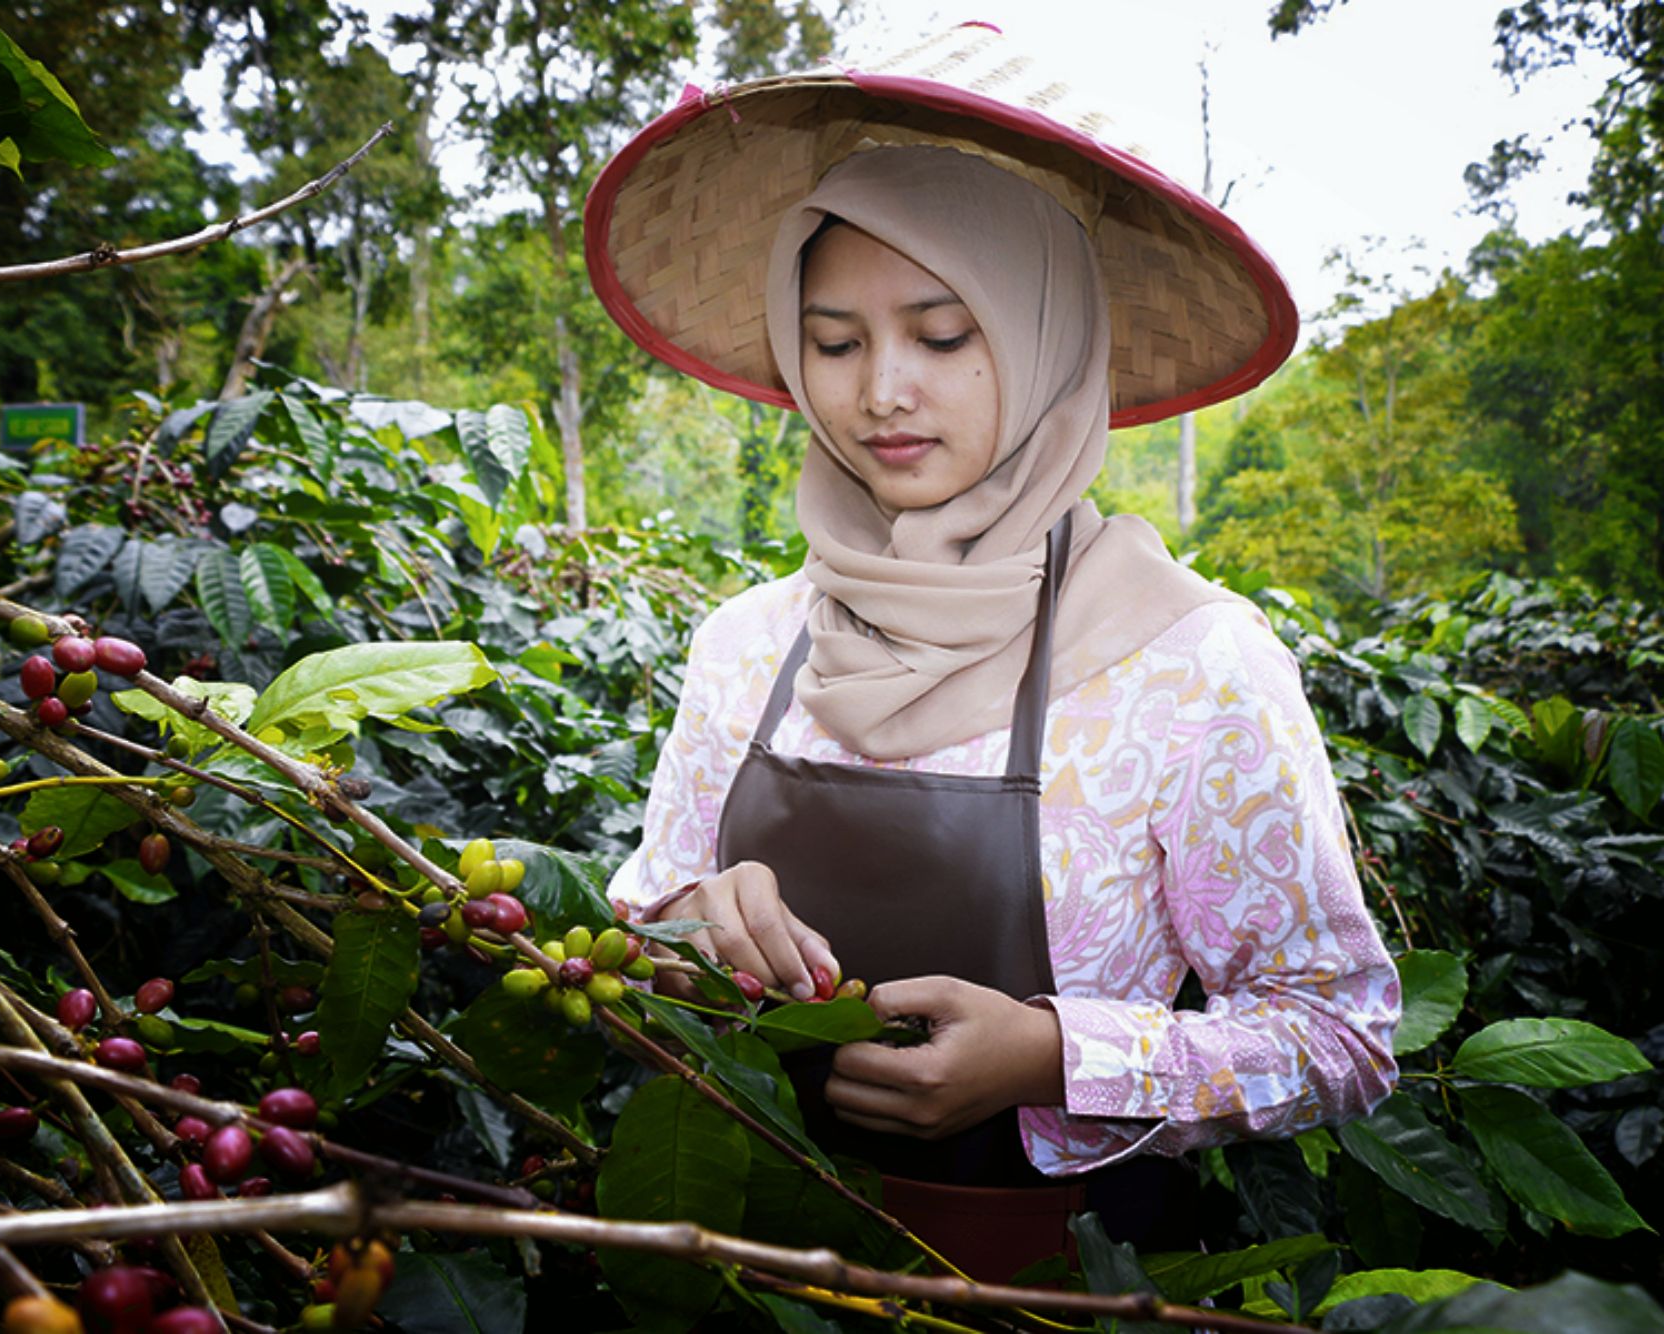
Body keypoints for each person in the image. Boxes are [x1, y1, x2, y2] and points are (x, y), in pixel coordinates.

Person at [585, 24, 1400, 1280]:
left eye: (944, 333)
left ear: (1042, 340)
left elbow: (1338, 1032)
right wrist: (692, 929)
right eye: (837, 340)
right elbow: (633, 930)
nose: (881, 392)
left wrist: (1053, 1055)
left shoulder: (1190, 660)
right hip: (748, 1269)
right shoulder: (748, 643)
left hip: (1057, 1284)